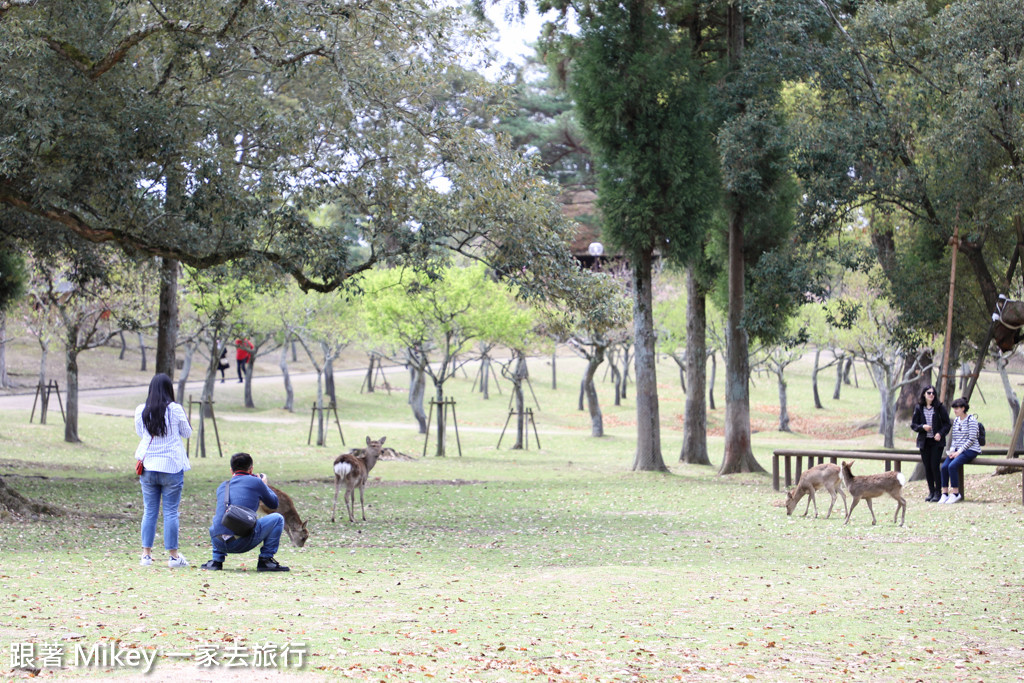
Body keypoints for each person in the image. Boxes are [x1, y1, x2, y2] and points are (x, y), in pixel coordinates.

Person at [135, 373, 193, 568]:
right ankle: (174, 557)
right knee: (170, 512)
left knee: (149, 511)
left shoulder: (141, 410)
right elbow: (187, 433)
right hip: (171, 467)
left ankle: (146, 555)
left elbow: (140, 432)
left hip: (149, 467)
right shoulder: (175, 410)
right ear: (169, 389)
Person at [201, 452, 290, 572]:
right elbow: (274, 504)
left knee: (220, 518)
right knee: (277, 518)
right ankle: (266, 560)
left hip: (218, 542)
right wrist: (265, 485)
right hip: (242, 542)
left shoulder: (223, 486)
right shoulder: (256, 482)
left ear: (231, 470)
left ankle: (216, 561)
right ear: (251, 469)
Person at [910, 385, 951, 502]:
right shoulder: (919, 408)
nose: (931, 395)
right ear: (924, 394)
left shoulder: (939, 408)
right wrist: (922, 427)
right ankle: (931, 492)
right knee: (927, 467)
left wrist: (940, 433)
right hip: (924, 442)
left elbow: (947, 424)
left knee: (934, 466)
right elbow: (914, 425)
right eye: (929, 393)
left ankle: (939, 492)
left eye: (933, 393)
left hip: (936, 443)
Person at [939, 397, 981, 504]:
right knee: (944, 467)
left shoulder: (971, 420)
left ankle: (956, 493)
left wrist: (959, 452)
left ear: (963, 408)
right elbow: (955, 437)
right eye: (954, 408)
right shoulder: (957, 420)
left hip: (971, 450)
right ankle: (944, 494)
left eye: (957, 408)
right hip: (957, 450)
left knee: (952, 466)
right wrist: (953, 451)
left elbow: (972, 439)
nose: (955, 410)